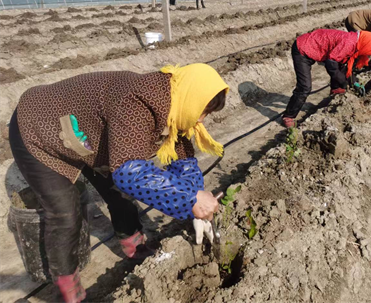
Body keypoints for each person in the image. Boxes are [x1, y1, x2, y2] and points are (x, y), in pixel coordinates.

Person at [9, 63, 228, 303]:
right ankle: (68, 290)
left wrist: (197, 202)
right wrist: (191, 200)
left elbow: (183, 160)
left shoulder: (176, 106)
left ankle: (134, 247)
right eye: (203, 111)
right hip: (39, 128)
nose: (201, 119)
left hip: (89, 138)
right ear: (191, 97)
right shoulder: (136, 102)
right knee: (65, 213)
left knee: (119, 194)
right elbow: (129, 174)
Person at [282, 29, 371, 128]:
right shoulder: (349, 43)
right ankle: (288, 116)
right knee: (305, 87)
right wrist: (343, 81)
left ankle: (336, 90)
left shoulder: (356, 43)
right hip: (303, 48)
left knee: (340, 68)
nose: (368, 55)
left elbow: (342, 65)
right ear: (367, 45)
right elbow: (331, 64)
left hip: (315, 46)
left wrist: (354, 81)